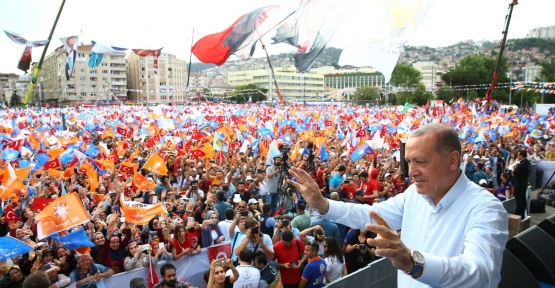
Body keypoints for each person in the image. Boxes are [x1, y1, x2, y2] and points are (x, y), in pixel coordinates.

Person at [287, 123, 509, 287]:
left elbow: (479, 272)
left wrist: (414, 263)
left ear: (452, 160)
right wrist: (323, 204)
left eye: (421, 162)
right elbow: (371, 215)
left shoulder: (485, 209)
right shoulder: (414, 194)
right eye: (409, 161)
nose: (411, 171)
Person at [512, 150, 531, 218]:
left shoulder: (522, 164)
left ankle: (518, 214)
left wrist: (513, 168)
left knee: (519, 200)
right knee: (523, 199)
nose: (517, 156)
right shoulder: (528, 163)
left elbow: (515, 173)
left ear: (521, 156)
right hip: (524, 183)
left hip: (519, 183)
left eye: (518, 155)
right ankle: (522, 214)